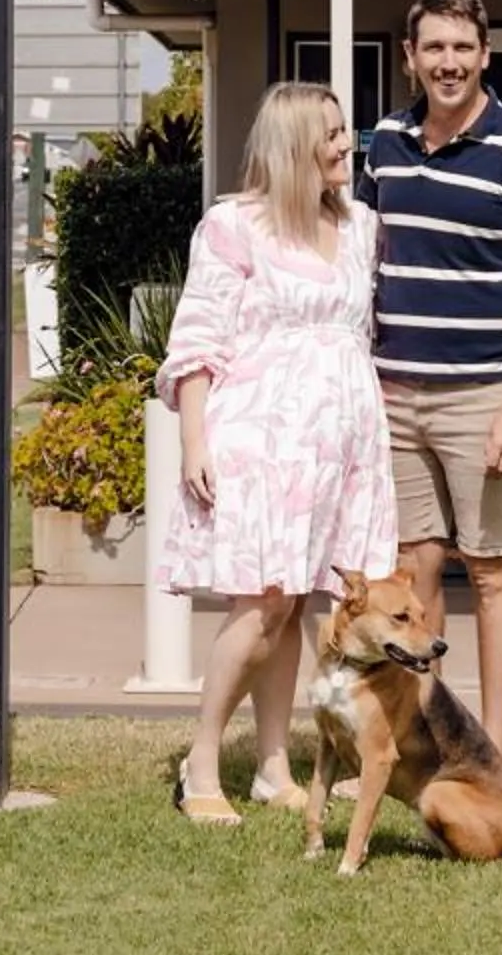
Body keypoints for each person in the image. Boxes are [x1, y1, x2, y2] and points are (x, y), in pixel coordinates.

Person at [155, 82, 397, 825]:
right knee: (261, 604)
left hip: (342, 445)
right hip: (263, 442)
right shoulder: (234, 226)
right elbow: (197, 339)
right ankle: (200, 764)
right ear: (293, 147)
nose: (346, 144)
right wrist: (194, 439)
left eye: (345, 130)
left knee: (295, 603)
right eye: (331, 134)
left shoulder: (361, 226)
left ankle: (271, 766)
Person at [359, 0, 502, 765]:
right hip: (392, 397)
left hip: (485, 396)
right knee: (412, 576)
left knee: (494, 570)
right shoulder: (384, 144)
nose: (447, 63)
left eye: (462, 47)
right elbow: (360, 257)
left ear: (485, 54)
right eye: (434, 48)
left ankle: (490, 756)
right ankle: (425, 746)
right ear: (410, 57)